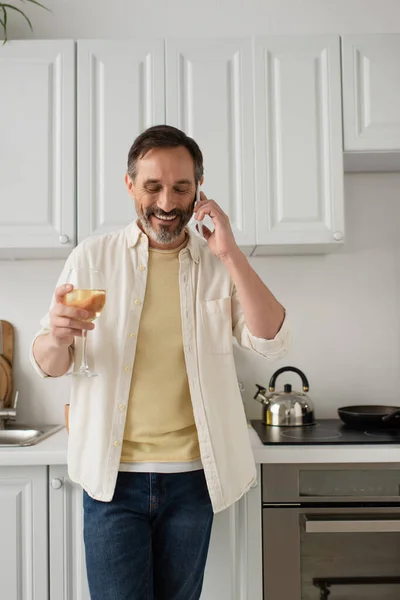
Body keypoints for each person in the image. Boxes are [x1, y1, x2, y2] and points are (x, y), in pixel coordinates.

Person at [31, 125, 291, 600]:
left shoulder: (218, 265)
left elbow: (271, 338)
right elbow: (48, 363)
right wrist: (56, 335)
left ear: (199, 189)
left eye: (181, 187)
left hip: (193, 481)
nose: (167, 203)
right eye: (153, 187)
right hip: (112, 483)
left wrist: (230, 252)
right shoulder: (92, 258)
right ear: (130, 185)